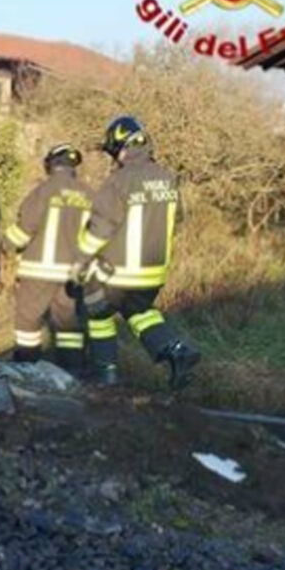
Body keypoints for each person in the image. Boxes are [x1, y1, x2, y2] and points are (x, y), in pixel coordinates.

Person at [74, 116, 200, 389]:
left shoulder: (118, 182)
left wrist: (78, 261)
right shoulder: (168, 179)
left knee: (97, 313)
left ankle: (106, 378)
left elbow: (99, 229)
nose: (114, 159)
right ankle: (176, 350)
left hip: (117, 274)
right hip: (153, 276)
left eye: (114, 152)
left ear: (122, 146)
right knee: (140, 312)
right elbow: (176, 220)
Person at [0, 144, 92, 373]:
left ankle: (27, 367)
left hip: (39, 272)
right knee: (68, 324)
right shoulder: (89, 194)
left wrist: (4, 246)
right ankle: (72, 370)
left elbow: (24, 230)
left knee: (28, 321)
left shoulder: (44, 191)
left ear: (50, 164)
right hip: (73, 274)